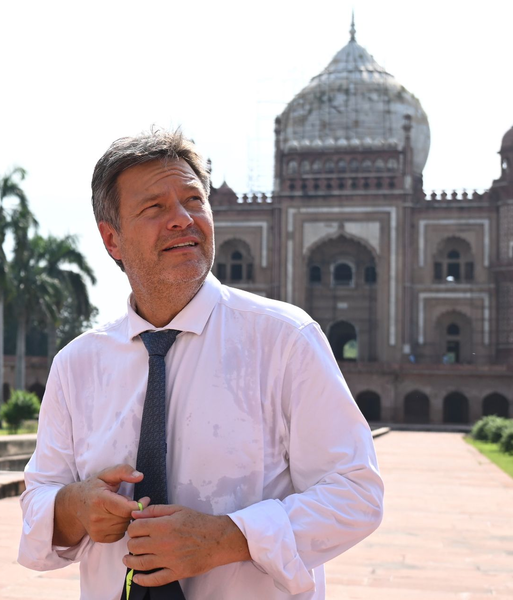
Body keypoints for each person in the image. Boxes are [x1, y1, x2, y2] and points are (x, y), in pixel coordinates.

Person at [17, 128, 384, 600]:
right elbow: (39, 499)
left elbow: (355, 493)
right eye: (155, 208)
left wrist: (229, 538)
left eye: (194, 200)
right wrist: (74, 508)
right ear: (113, 240)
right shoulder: (78, 364)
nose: (182, 219)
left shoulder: (284, 340)